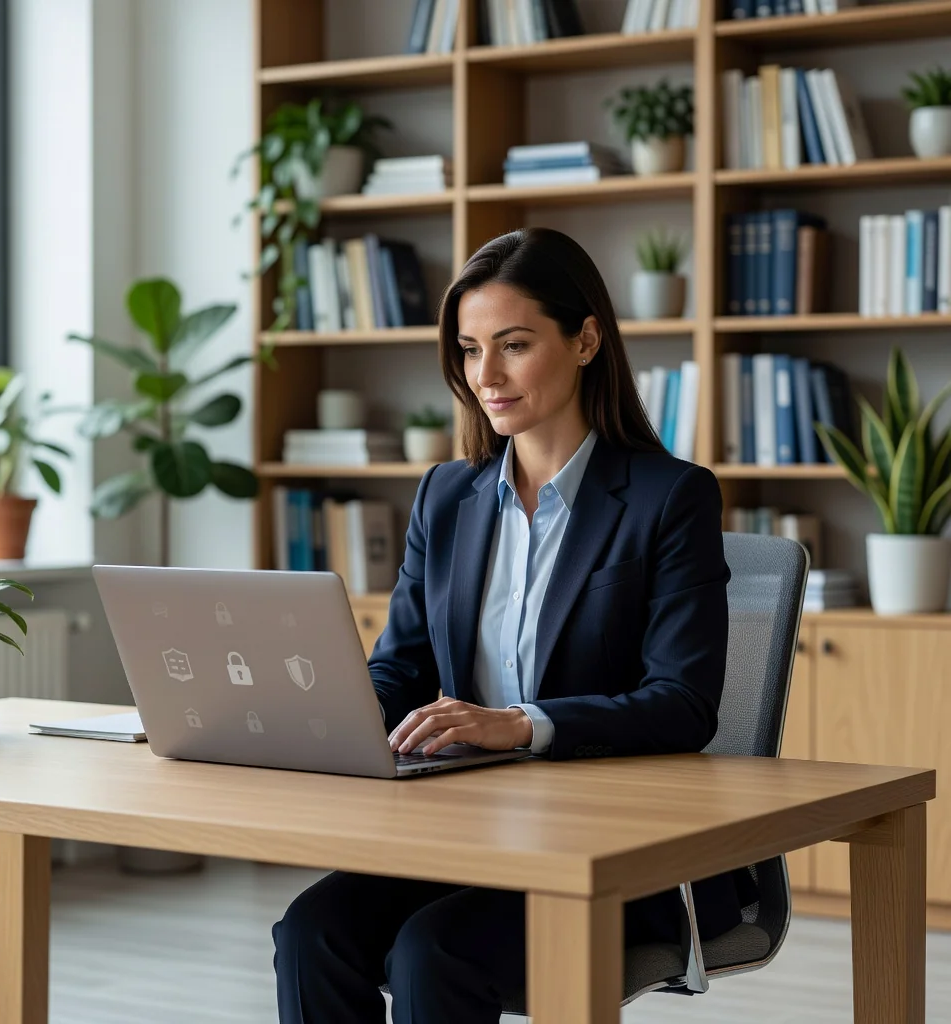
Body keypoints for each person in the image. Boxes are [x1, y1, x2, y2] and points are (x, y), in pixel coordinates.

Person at [273, 227, 748, 1023]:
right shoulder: (446, 498)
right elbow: (402, 668)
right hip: (470, 832)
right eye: (467, 349)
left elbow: (683, 703)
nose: (484, 376)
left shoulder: (671, 498)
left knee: (435, 950)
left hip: (619, 847)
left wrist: (517, 726)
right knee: (312, 930)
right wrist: (318, 717)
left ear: (587, 338)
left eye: (513, 345)